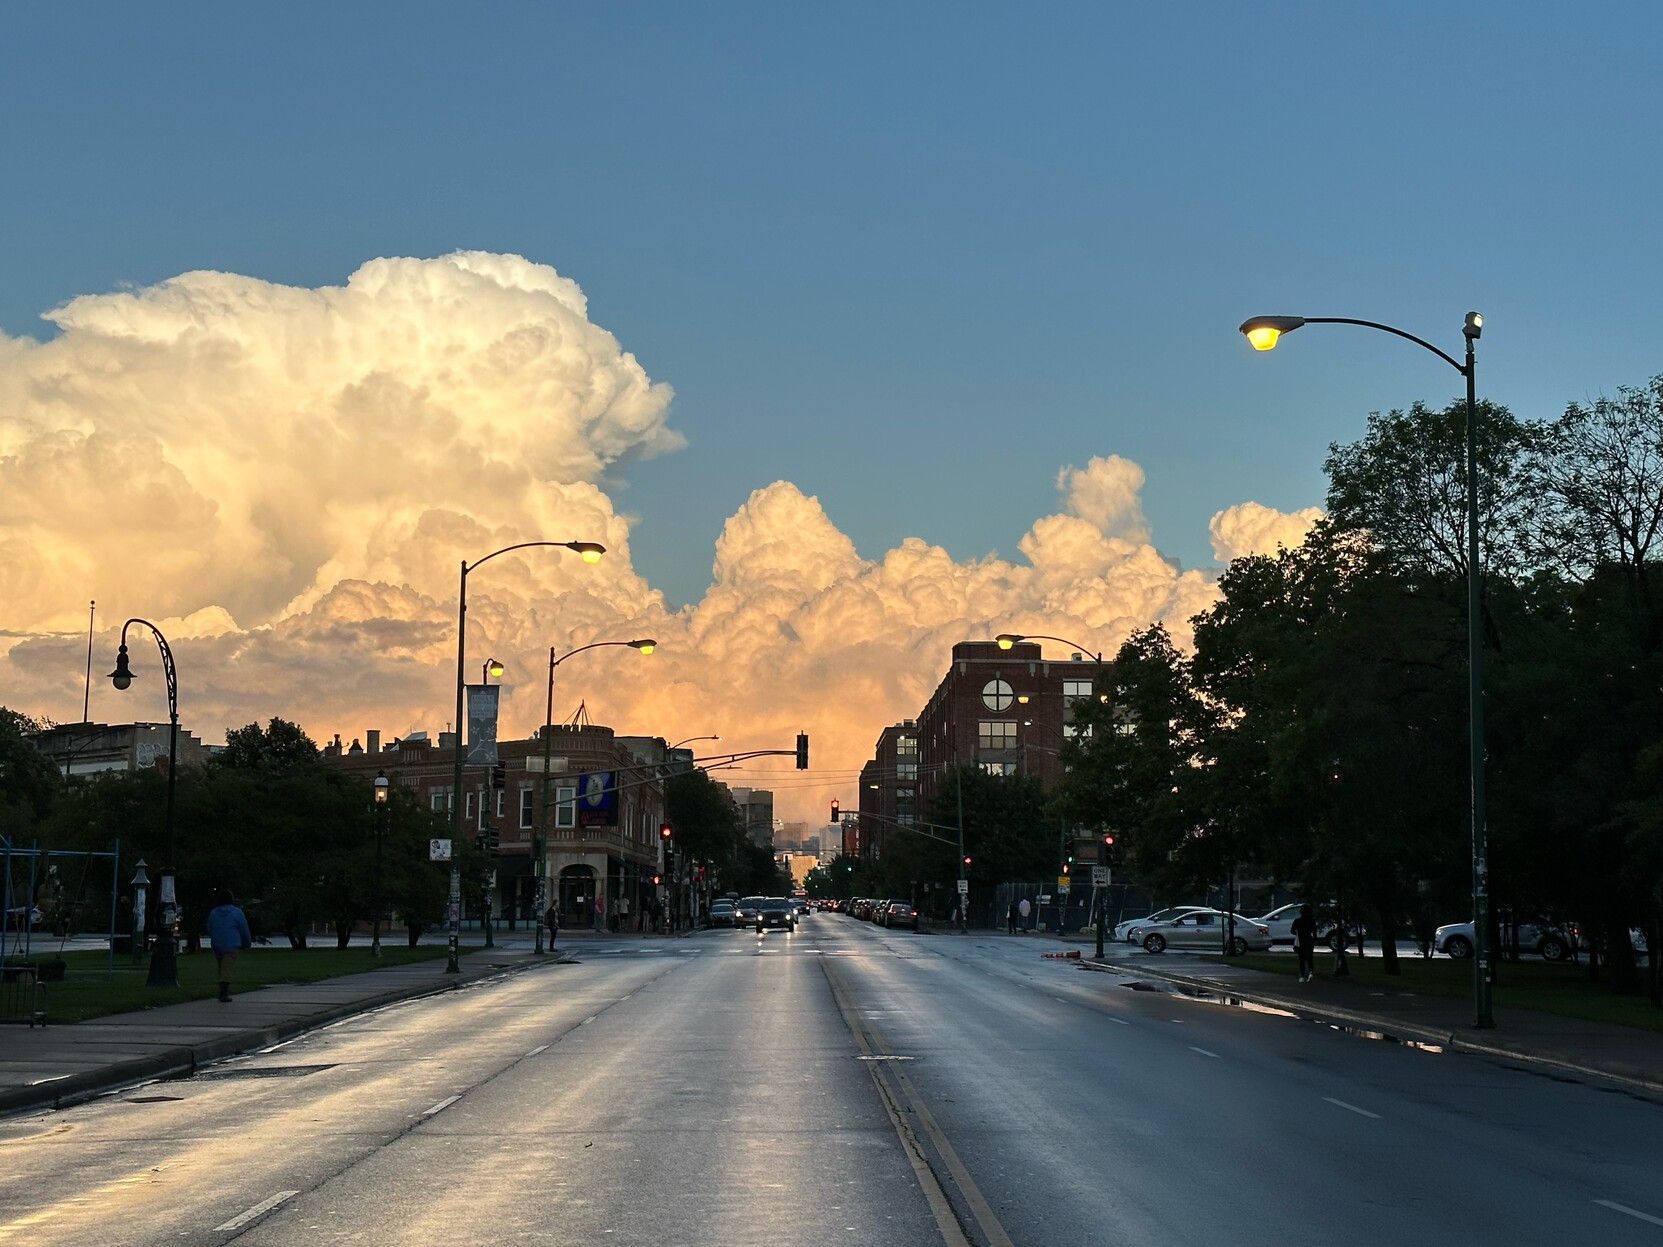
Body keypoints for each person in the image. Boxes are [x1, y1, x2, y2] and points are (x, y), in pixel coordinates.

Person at [206, 889, 252, 1002]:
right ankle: (223, 993)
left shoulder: (213, 912)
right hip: (232, 944)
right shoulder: (237, 912)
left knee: (221, 967)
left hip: (217, 944)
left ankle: (221, 989)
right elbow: (244, 930)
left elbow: (209, 928)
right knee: (227, 968)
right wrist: (247, 943)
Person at [1292, 903, 1316, 984]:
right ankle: (1311, 972)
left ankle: (1302, 975)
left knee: (1301, 959)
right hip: (1309, 941)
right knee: (1309, 958)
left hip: (1301, 941)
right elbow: (1314, 931)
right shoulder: (1312, 921)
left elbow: (1292, 930)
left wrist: (1297, 934)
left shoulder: (1297, 921)